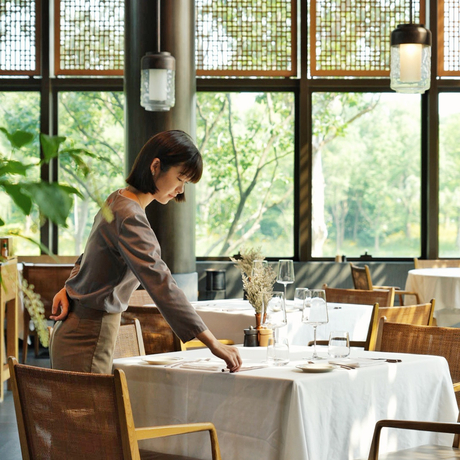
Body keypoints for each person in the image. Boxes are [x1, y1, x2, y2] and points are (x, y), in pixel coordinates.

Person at [49, 130, 242, 374]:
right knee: (87, 412)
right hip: (88, 335)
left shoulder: (117, 200)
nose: (181, 190)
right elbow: (162, 284)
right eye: (180, 178)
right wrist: (212, 343)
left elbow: (89, 256)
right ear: (155, 166)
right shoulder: (130, 216)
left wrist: (69, 287)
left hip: (80, 330)